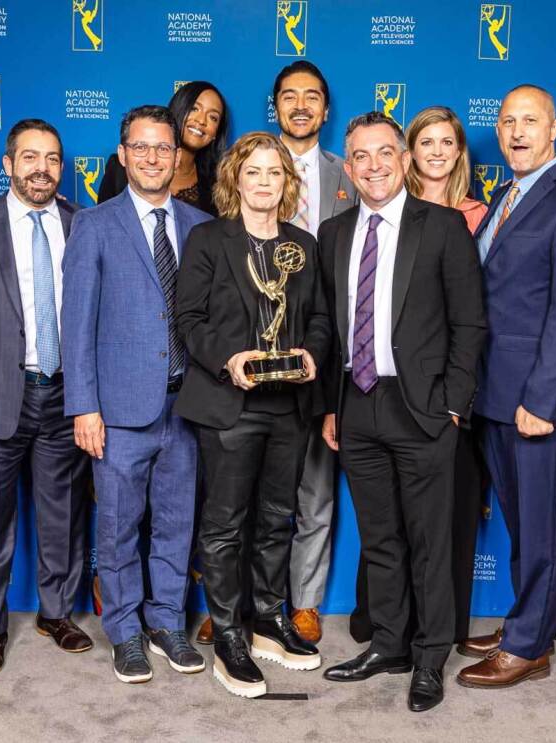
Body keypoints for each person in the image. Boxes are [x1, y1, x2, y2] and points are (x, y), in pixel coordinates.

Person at [319, 112, 485, 713]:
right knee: (381, 538)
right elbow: (330, 334)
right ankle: (388, 644)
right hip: (358, 404)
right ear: (349, 164)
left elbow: (470, 323)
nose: (374, 166)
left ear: (405, 158)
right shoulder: (333, 234)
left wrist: (453, 403)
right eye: (361, 156)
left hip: (423, 408)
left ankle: (429, 654)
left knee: (429, 539)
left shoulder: (441, 226)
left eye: (385, 153)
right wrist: (330, 408)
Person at [456, 85, 556, 689]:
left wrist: (542, 401)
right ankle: (530, 619)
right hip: (494, 395)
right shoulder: (506, 196)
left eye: (530, 121)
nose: (517, 131)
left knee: (543, 528)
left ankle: (530, 646)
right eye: (507, 121)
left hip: (537, 402)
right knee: (525, 525)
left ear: (555, 128)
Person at [175, 131, 329, 698]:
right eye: (254, 172)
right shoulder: (208, 240)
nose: (265, 182)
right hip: (230, 407)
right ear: (235, 179)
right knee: (224, 525)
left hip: (288, 405)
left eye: (275, 173)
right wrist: (228, 358)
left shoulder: (303, 244)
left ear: (288, 183)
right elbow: (189, 320)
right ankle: (230, 636)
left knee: (277, 517)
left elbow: (317, 317)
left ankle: (268, 619)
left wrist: (311, 352)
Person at [62, 105, 212, 685]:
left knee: (177, 523)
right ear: (123, 155)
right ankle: (125, 631)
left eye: (163, 148)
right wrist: (85, 406)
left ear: (177, 157)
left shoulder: (200, 226)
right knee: (119, 526)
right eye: (141, 148)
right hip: (119, 410)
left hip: (188, 404)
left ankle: (166, 622)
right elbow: (77, 325)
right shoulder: (95, 225)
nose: (153, 158)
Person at [0, 119, 92, 676]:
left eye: (52, 159)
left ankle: (57, 614)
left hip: (63, 393)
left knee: (62, 514)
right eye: (30, 158)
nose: (42, 169)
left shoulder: (83, 224)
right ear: (7, 165)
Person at [273, 59, 356, 644]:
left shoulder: (352, 173)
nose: (300, 105)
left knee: (316, 490)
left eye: (312, 97)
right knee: (249, 490)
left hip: (329, 354)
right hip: (256, 359)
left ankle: (304, 602)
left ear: (326, 110)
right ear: (274, 107)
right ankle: (242, 600)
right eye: (289, 96)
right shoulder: (246, 167)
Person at [404, 105, 488, 643]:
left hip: (459, 382)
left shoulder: (485, 213)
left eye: (446, 142)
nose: (436, 151)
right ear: (409, 151)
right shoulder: (390, 208)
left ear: (459, 151)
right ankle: (393, 621)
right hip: (398, 387)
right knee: (394, 512)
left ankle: (445, 625)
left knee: (451, 512)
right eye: (425, 142)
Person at [97, 81, 229, 215]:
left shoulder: (217, 181)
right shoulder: (121, 167)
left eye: (213, 117)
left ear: (216, 133)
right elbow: (103, 222)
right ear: (178, 109)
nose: (202, 120)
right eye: (194, 109)